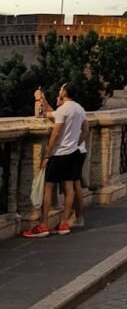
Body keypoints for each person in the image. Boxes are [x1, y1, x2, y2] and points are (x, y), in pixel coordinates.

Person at [24, 83, 86, 238]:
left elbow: (56, 133)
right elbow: (85, 130)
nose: (59, 91)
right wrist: (76, 143)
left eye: (60, 89)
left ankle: (43, 224)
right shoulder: (79, 109)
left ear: (65, 92)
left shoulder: (64, 110)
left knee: (48, 187)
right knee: (69, 187)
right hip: (73, 152)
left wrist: (47, 154)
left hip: (59, 153)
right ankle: (64, 223)